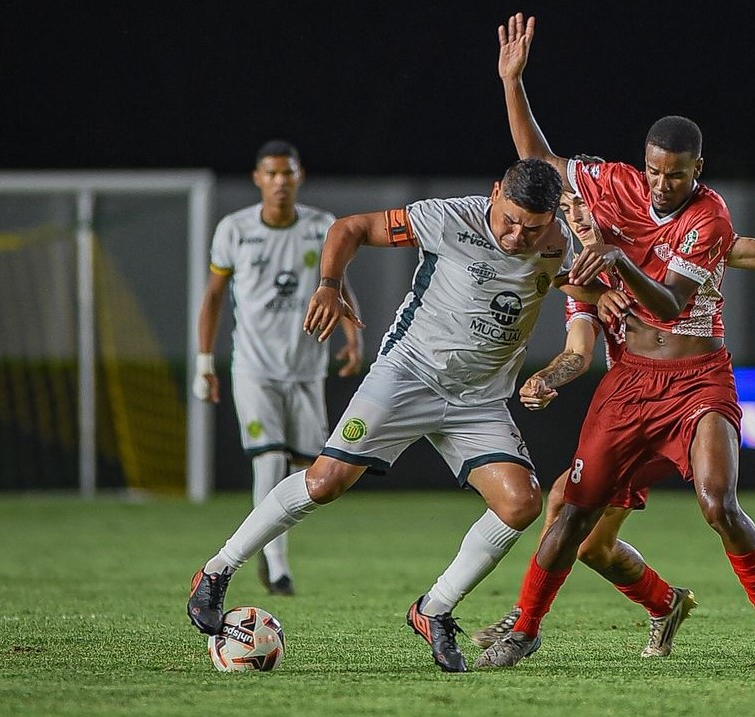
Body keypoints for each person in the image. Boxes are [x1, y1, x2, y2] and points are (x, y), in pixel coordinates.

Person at [475, 13, 755, 673]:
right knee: (571, 514)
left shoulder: (709, 217)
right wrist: (513, 82)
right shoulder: (608, 200)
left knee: (717, 501)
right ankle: (529, 625)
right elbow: (539, 164)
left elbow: (673, 300)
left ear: (695, 170)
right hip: (628, 387)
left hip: (699, 379)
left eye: (673, 175)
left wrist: (615, 260)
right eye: (652, 171)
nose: (659, 184)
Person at [188, 157, 603, 674]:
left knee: (521, 504)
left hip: (478, 399)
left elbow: (577, 288)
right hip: (407, 374)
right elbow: (351, 228)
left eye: (532, 227)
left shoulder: (559, 242)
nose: (517, 235)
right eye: (510, 220)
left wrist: (610, 301)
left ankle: (434, 609)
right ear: (494, 193)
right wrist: (329, 285)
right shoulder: (452, 218)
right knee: (325, 482)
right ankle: (217, 570)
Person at [472, 190, 696, 659]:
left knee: (563, 501)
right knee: (594, 548)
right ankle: (665, 602)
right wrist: (545, 378)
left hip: (672, 406)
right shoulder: (583, 278)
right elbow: (578, 352)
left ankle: (524, 619)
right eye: (568, 209)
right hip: (629, 411)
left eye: (583, 205)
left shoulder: (645, 253)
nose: (576, 217)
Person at [192, 139, 363, 596]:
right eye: (271, 173)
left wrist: (352, 334)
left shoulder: (321, 226)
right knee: (268, 459)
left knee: (306, 471)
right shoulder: (235, 229)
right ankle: (276, 563)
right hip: (253, 368)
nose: (280, 181)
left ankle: (274, 555)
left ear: (299, 176)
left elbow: (337, 283)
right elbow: (212, 297)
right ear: (257, 179)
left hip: (306, 368)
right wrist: (204, 362)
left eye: (287, 173)